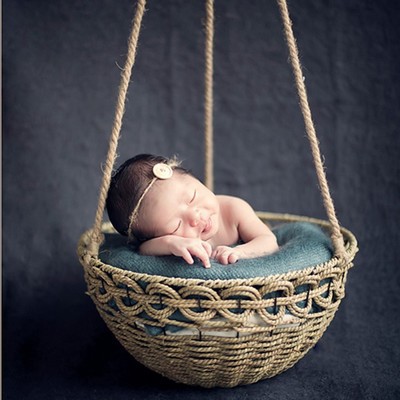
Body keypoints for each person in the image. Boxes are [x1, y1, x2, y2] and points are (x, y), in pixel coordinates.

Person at [106, 154, 279, 268]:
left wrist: (239, 252)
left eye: (192, 197)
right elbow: (143, 249)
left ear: (196, 179)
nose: (195, 217)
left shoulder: (234, 210)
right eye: (176, 226)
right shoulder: (169, 241)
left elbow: (268, 241)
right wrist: (170, 243)